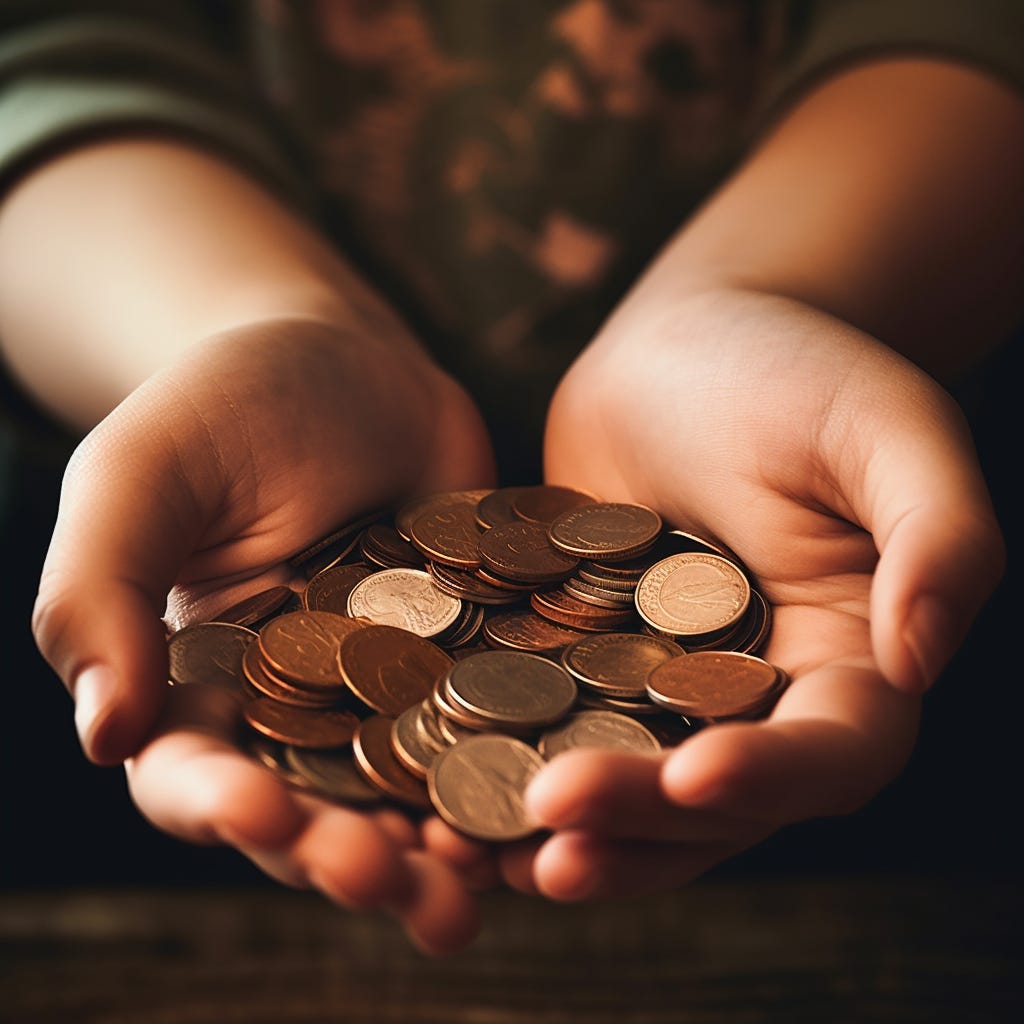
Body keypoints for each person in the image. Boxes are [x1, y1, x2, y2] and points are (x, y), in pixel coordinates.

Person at [0, 3, 1020, 954]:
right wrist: (241, 323)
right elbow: (47, 42)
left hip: (920, 857)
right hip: (128, 904)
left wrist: (778, 289)